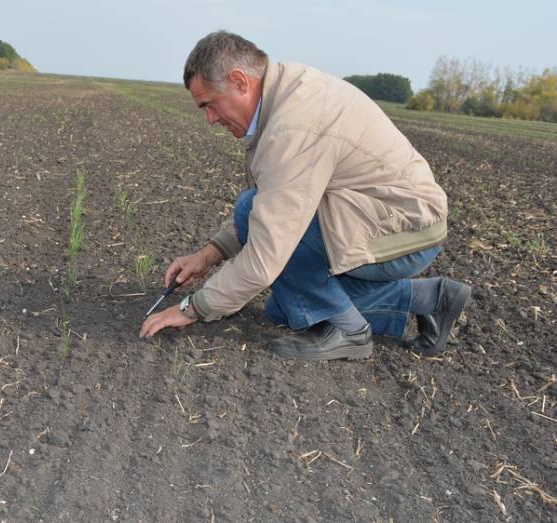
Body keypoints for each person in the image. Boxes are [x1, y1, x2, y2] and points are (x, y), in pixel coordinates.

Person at [138, 31, 472, 361]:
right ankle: (432, 297)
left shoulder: (292, 127)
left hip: (406, 229)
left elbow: (268, 252)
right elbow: (267, 201)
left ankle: (350, 331)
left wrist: (191, 308)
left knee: (292, 273)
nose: (210, 119)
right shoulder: (284, 92)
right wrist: (209, 254)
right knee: (290, 307)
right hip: (379, 217)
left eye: (210, 105)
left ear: (240, 81)